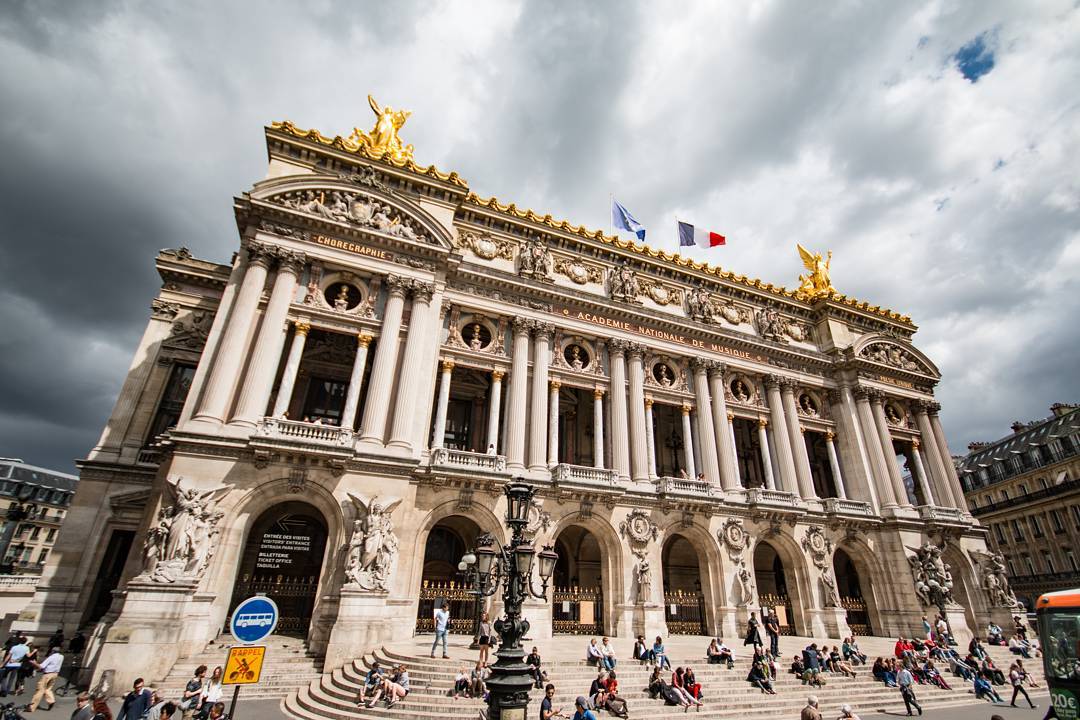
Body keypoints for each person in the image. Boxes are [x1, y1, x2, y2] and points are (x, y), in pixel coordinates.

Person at [26, 645, 64, 712]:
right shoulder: (61, 657)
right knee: (48, 689)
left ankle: (32, 706)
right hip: (55, 674)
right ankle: (51, 701)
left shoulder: (51, 657)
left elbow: (41, 666)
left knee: (40, 690)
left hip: (47, 674)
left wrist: (34, 663)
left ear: (53, 651)